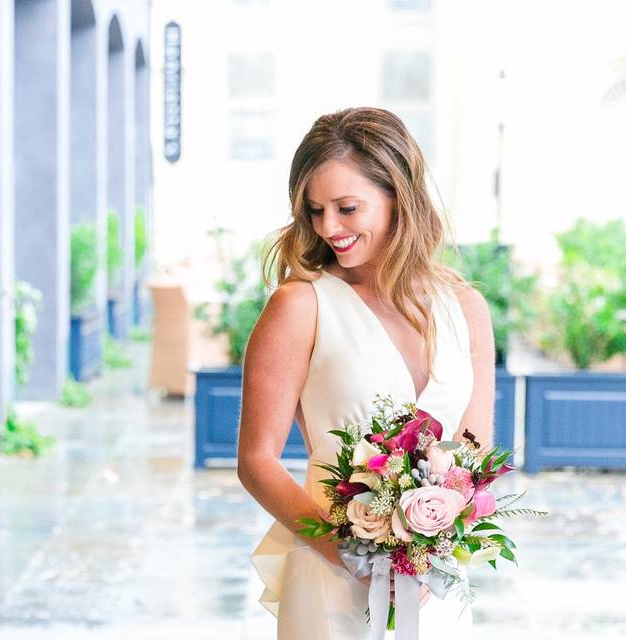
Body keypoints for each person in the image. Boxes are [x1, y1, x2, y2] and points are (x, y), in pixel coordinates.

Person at [237, 107, 496, 639]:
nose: (329, 228)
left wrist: (434, 545)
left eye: (346, 208)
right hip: (333, 577)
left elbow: (473, 451)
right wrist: (350, 550)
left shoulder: (466, 309)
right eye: (314, 211)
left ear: (398, 195)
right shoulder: (301, 306)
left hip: (436, 585)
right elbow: (256, 461)